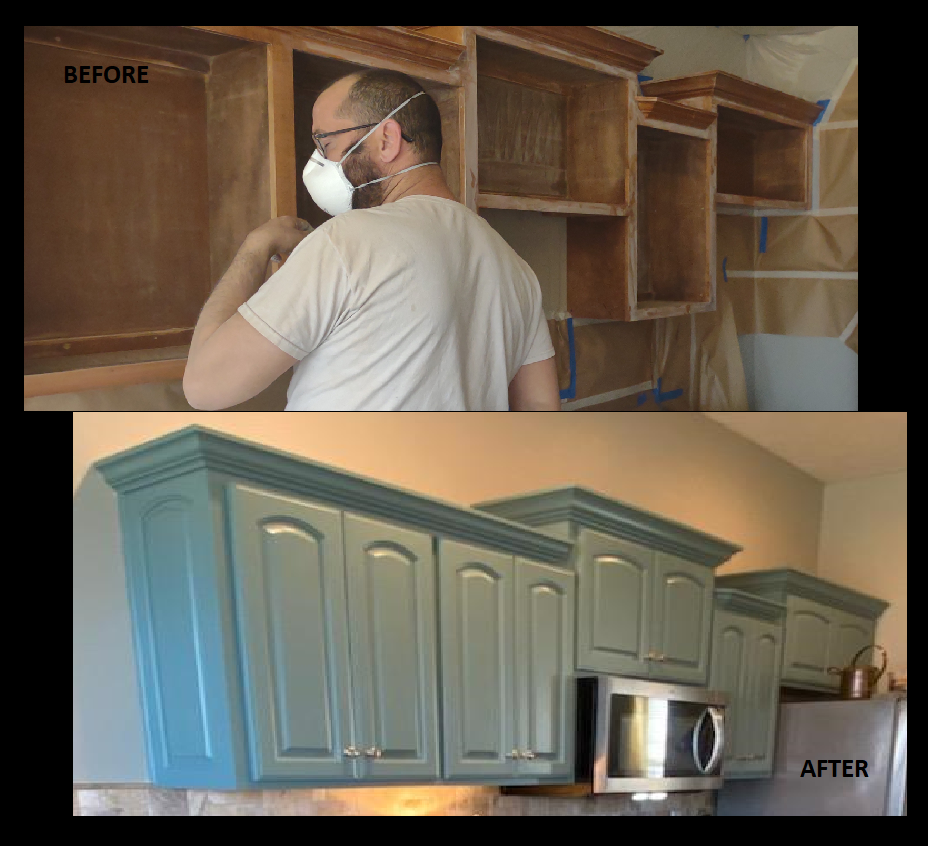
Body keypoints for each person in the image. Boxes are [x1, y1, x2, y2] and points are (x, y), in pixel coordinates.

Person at [183, 69, 560, 410]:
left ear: (386, 140)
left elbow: (204, 387)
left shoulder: (346, 242)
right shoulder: (516, 269)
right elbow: (541, 416)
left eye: (324, 144)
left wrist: (255, 247)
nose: (317, 163)